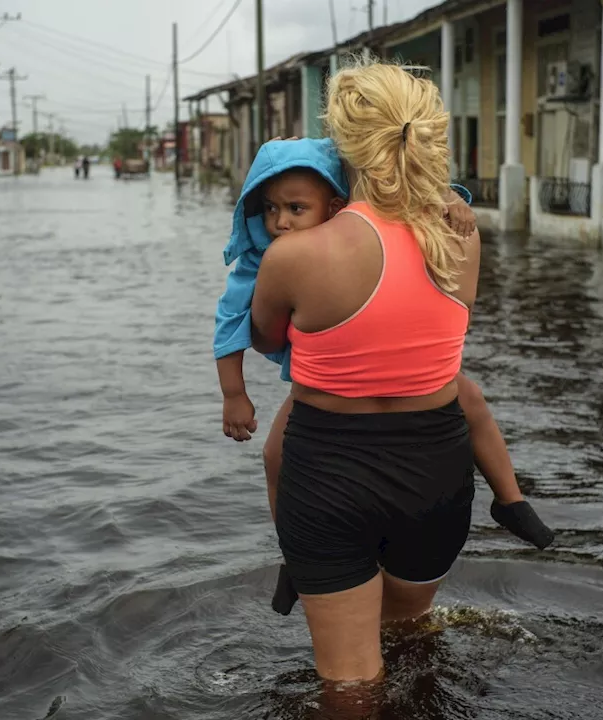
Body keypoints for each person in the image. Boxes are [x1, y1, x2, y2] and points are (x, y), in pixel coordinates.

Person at [248, 58, 551, 683]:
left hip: (327, 471)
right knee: (409, 638)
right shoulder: (458, 237)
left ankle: (295, 563)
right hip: (434, 471)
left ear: (344, 147)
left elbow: (264, 337)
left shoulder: (294, 254)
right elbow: (445, 330)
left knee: (349, 681)